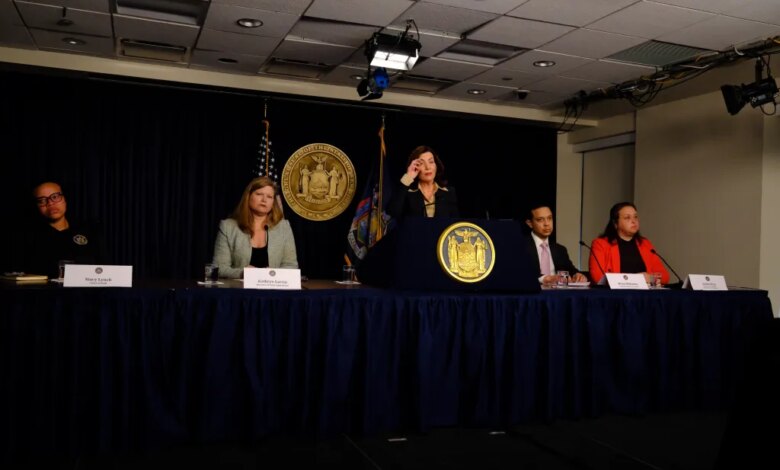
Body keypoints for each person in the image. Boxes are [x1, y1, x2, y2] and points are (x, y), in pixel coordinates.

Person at [212, 176, 298, 278]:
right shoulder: (228, 227)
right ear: (248, 196)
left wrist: (271, 275)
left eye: (269, 197)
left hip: (273, 290)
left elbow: (291, 266)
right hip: (239, 291)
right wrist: (243, 273)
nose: (264, 200)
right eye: (259, 194)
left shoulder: (284, 227)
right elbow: (219, 268)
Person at [21, 181, 105, 278]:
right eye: (42, 200)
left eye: (55, 197)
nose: (50, 203)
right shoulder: (28, 237)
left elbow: (106, 269)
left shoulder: (89, 231)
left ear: (65, 199)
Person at [589, 202, 669, 285]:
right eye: (627, 218)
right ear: (615, 223)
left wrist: (651, 278)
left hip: (645, 296)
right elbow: (598, 277)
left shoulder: (645, 244)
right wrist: (637, 279)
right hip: (616, 296)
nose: (634, 221)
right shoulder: (600, 244)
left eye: (636, 217)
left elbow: (665, 276)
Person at [387, 145, 459, 218]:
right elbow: (393, 212)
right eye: (421, 163)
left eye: (431, 162)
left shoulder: (449, 192)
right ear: (415, 167)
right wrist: (408, 176)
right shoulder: (407, 192)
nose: (427, 167)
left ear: (436, 165)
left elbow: (455, 224)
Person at [525, 204, 588, 285]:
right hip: (531, 294)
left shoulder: (560, 249)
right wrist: (544, 279)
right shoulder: (521, 246)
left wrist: (577, 275)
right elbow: (518, 272)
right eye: (540, 220)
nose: (547, 224)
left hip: (558, 294)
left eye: (549, 218)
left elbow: (571, 270)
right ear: (530, 223)